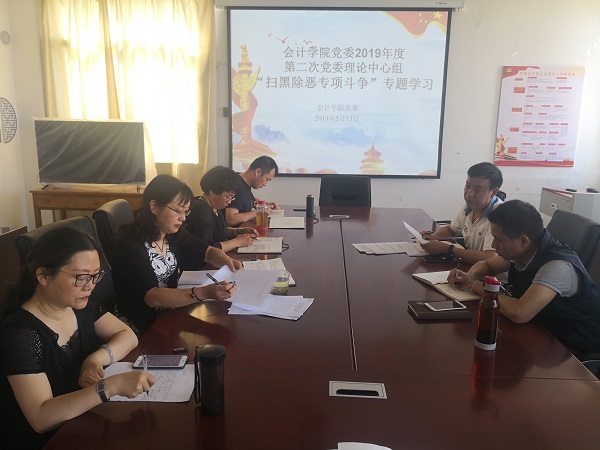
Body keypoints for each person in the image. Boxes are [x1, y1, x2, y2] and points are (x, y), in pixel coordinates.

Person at [0, 227, 155, 449]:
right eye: (81, 277)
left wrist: (95, 359)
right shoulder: (20, 334)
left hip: (85, 421)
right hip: (51, 440)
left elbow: (127, 335)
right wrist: (110, 387)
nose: (90, 286)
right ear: (43, 276)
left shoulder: (78, 306)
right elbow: (41, 418)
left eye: (95, 276)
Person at [448, 199, 600, 358]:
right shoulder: (526, 248)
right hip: (540, 334)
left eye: (498, 239)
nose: (493, 245)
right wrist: (470, 276)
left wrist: (482, 289)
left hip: (573, 352)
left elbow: (520, 312)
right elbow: (488, 265)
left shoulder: (558, 266)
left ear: (523, 241)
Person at [112, 174, 243, 335]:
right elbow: (152, 297)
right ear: (154, 206)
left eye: (186, 212)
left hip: (168, 313)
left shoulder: (171, 232)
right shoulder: (131, 246)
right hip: (140, 326)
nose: (183, 218)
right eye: (178, 211)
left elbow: (206, 251)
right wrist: (204, 293)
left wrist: (226, 260)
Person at [420, 162, 504, 264]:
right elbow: (451, 230)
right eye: (467, 186)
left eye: (477, 190)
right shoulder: (470, 206)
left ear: (493, 192)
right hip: (470, 266)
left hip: (491, 272)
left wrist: (447, 249)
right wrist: (433, 236)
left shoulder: (500, 215)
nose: (469, 194)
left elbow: (490, 257)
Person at [187, 166, 258, 252]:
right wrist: (237, 242)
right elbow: (206, 249)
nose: (230, 201)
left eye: (232, 197)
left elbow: (218, 231)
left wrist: (238, 231)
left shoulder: (214, 206)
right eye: (228, 197)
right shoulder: (202, 211)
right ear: (212, 192)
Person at [226, 156, 280, 226]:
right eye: (267, 179)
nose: (265, 184)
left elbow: (248, 199)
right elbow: (231, 219)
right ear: (258, 172)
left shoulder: (244, 184)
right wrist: (259, 211)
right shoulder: (236, 186)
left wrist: (264, 204)